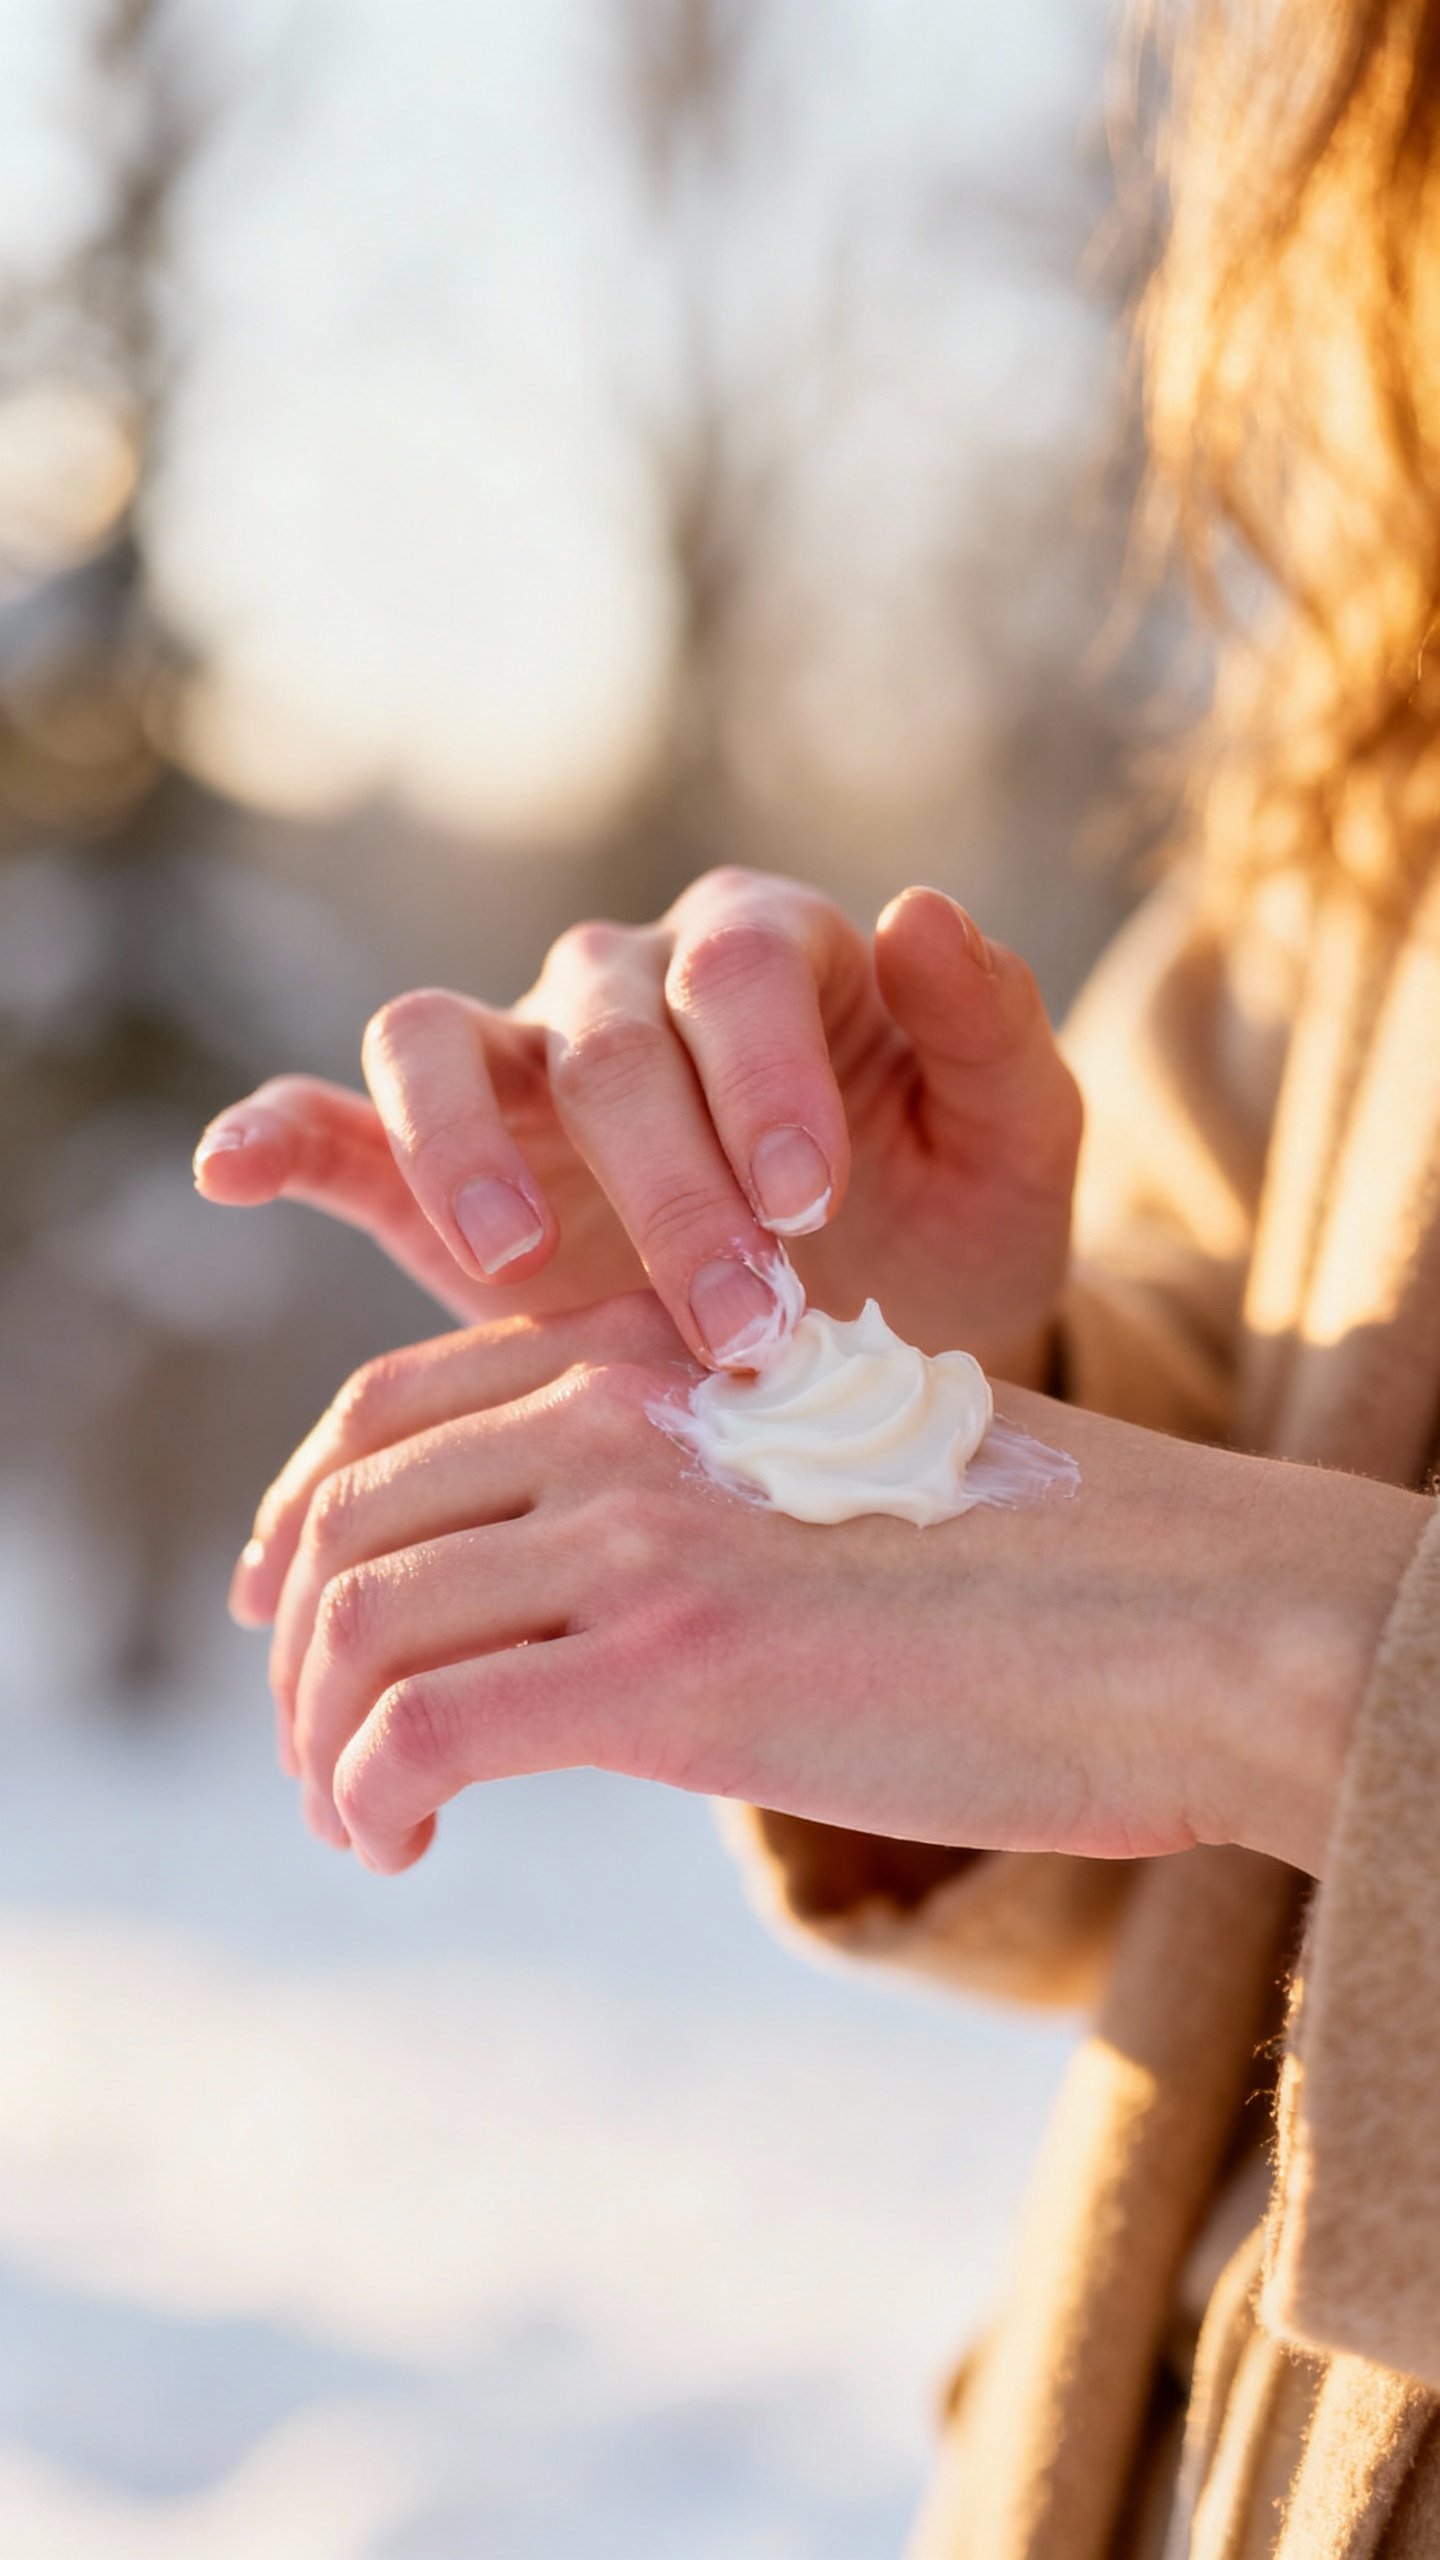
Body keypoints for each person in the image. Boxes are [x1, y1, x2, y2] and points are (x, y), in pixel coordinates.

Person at [192, 1, 1440, 2549]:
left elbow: (1260, 1636)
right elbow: (1193, 1830)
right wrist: (921, 1359)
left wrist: (1308, 1662)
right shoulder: (1377, 796)